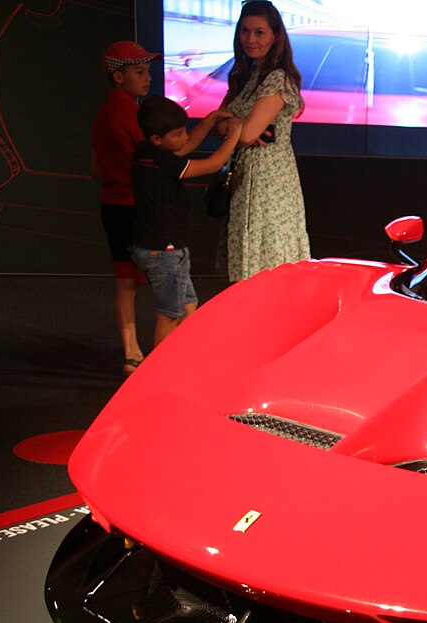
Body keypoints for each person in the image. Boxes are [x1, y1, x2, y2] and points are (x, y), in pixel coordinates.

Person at [130, 96, 242, 346]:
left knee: (188, 304)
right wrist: (235, 135)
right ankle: (157, 376)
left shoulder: (147, 151)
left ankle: (188, 357)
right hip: (164, 250)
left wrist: (210, 118)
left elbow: (187, 144)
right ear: (158, 140)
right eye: (178, 133)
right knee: (170, 315)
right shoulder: (162, 161)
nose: (184, 137)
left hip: (162, 247)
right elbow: (213, 163)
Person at [215, 0, 310, 282]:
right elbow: (216, 124)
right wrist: (239, 127)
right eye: (245, 31)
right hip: (243, 174)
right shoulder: (244, 76)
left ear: (275, 36)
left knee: (267, 261)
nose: (250, 39)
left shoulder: (277, 79)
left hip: (269, 180)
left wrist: (237, 127)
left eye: (259, 32)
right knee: (245, 253)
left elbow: (243, 135)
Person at [91, 41, 159, 375]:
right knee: (170, 278)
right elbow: (152, 161)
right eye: (139, 72)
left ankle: (131, 353)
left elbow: (95, 168)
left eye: (147, 71)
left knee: (124, 280)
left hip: (112, 205)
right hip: (134, 207)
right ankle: (168, 352)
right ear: (119, 77)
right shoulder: (131, 114)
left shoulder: (104, 113)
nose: (148, 78)